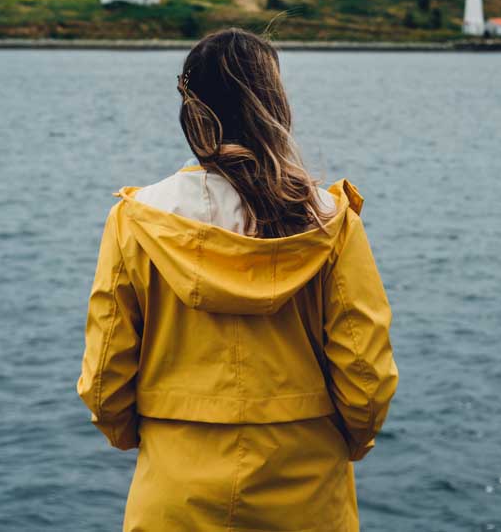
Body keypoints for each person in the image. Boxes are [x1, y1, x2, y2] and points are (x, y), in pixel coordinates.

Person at [77, 27, 398, 531]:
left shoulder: (138, 220)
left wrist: (145, 438)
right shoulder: (329, 220)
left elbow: (104, 378)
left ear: (191, 109)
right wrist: (347, 441)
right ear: (273, 105)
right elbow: (366, 374)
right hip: (306, 487)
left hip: (175, 486)